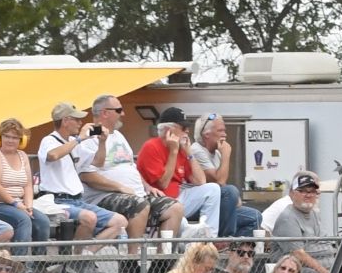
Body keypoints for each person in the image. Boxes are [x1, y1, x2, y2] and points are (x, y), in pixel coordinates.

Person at [75, 94, 181, 243]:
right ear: (105, 113)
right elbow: (86, 176)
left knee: (175, 208)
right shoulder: (88, 137)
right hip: (102, 197)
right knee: (139, 205)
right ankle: (132, 261)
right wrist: (120, 187)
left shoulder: (118, 135)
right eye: (119, 110)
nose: (123, 114)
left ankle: (162, 263)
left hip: (135, 195)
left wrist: (147, 186)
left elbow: (131, 165)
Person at [35, 103, 126, 244]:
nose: (80, 123)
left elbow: (98, 162)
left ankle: (86, 255)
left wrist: (102, 142)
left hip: (77, 200)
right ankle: (77, 260)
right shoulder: (49, 140)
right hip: (57, 200)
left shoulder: (73, 142)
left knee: (120, 222)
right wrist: (80, 139)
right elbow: (52, 155)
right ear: (65, 121)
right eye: (76, 119)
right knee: (89, 218)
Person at [137, 107, 218, 237]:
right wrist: (173, 152)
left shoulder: (182, 149)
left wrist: (189, 153)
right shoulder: (151, 146)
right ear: (168, 130)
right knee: (180, 221)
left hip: (179, 197)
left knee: (213, 189)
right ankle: (191, 236)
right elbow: (163, 184)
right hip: (160, 202)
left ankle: (210, 236)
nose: (187, 131)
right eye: (183, 127)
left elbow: (200, 181)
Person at [0, 117, 53, 249]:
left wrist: (29, 206)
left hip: (16, 204)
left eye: (15, 137)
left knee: (42, 221)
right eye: (7, 136)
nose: (10, 140)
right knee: (23, 219)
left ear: (22, 140)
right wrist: (16, 204)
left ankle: (40, 263)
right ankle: (20, 264)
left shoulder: (22, 155)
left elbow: (28, 185)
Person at [189, 115, 262, 240]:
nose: (225, 135)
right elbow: (219, 181)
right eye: (220, 131)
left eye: (224, 130)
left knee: (255, 216)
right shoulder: (196, 149)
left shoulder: (217, 153)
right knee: (231, 191)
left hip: (216, 204)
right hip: (198, 205)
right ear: (206, 134)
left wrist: (234, 199)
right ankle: (223, 241)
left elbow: (222, 186)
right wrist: (226, 154)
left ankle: (235, 249)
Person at [264, 171, 334, 273]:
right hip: (292, 270)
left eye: (312, 191)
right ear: (291, 194)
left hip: (324, 266)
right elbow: (298, 254)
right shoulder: (288, 217)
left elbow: (325, 243)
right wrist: (324, 272)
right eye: (302, 191)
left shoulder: (314, 214)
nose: (308, 195)